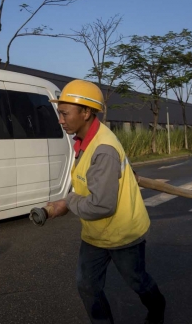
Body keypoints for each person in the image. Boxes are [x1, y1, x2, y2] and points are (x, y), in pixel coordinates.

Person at [46, 79, 166, 324]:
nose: (60, 119)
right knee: (87, 285)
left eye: (65, 113)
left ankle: (157, 308)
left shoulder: (103, 149)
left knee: (137, 281)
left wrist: (68, 202)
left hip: (123, 233)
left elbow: (102, 205)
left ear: (87, 112)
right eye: (60, 113)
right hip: (96, 233)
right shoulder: (84, 140)